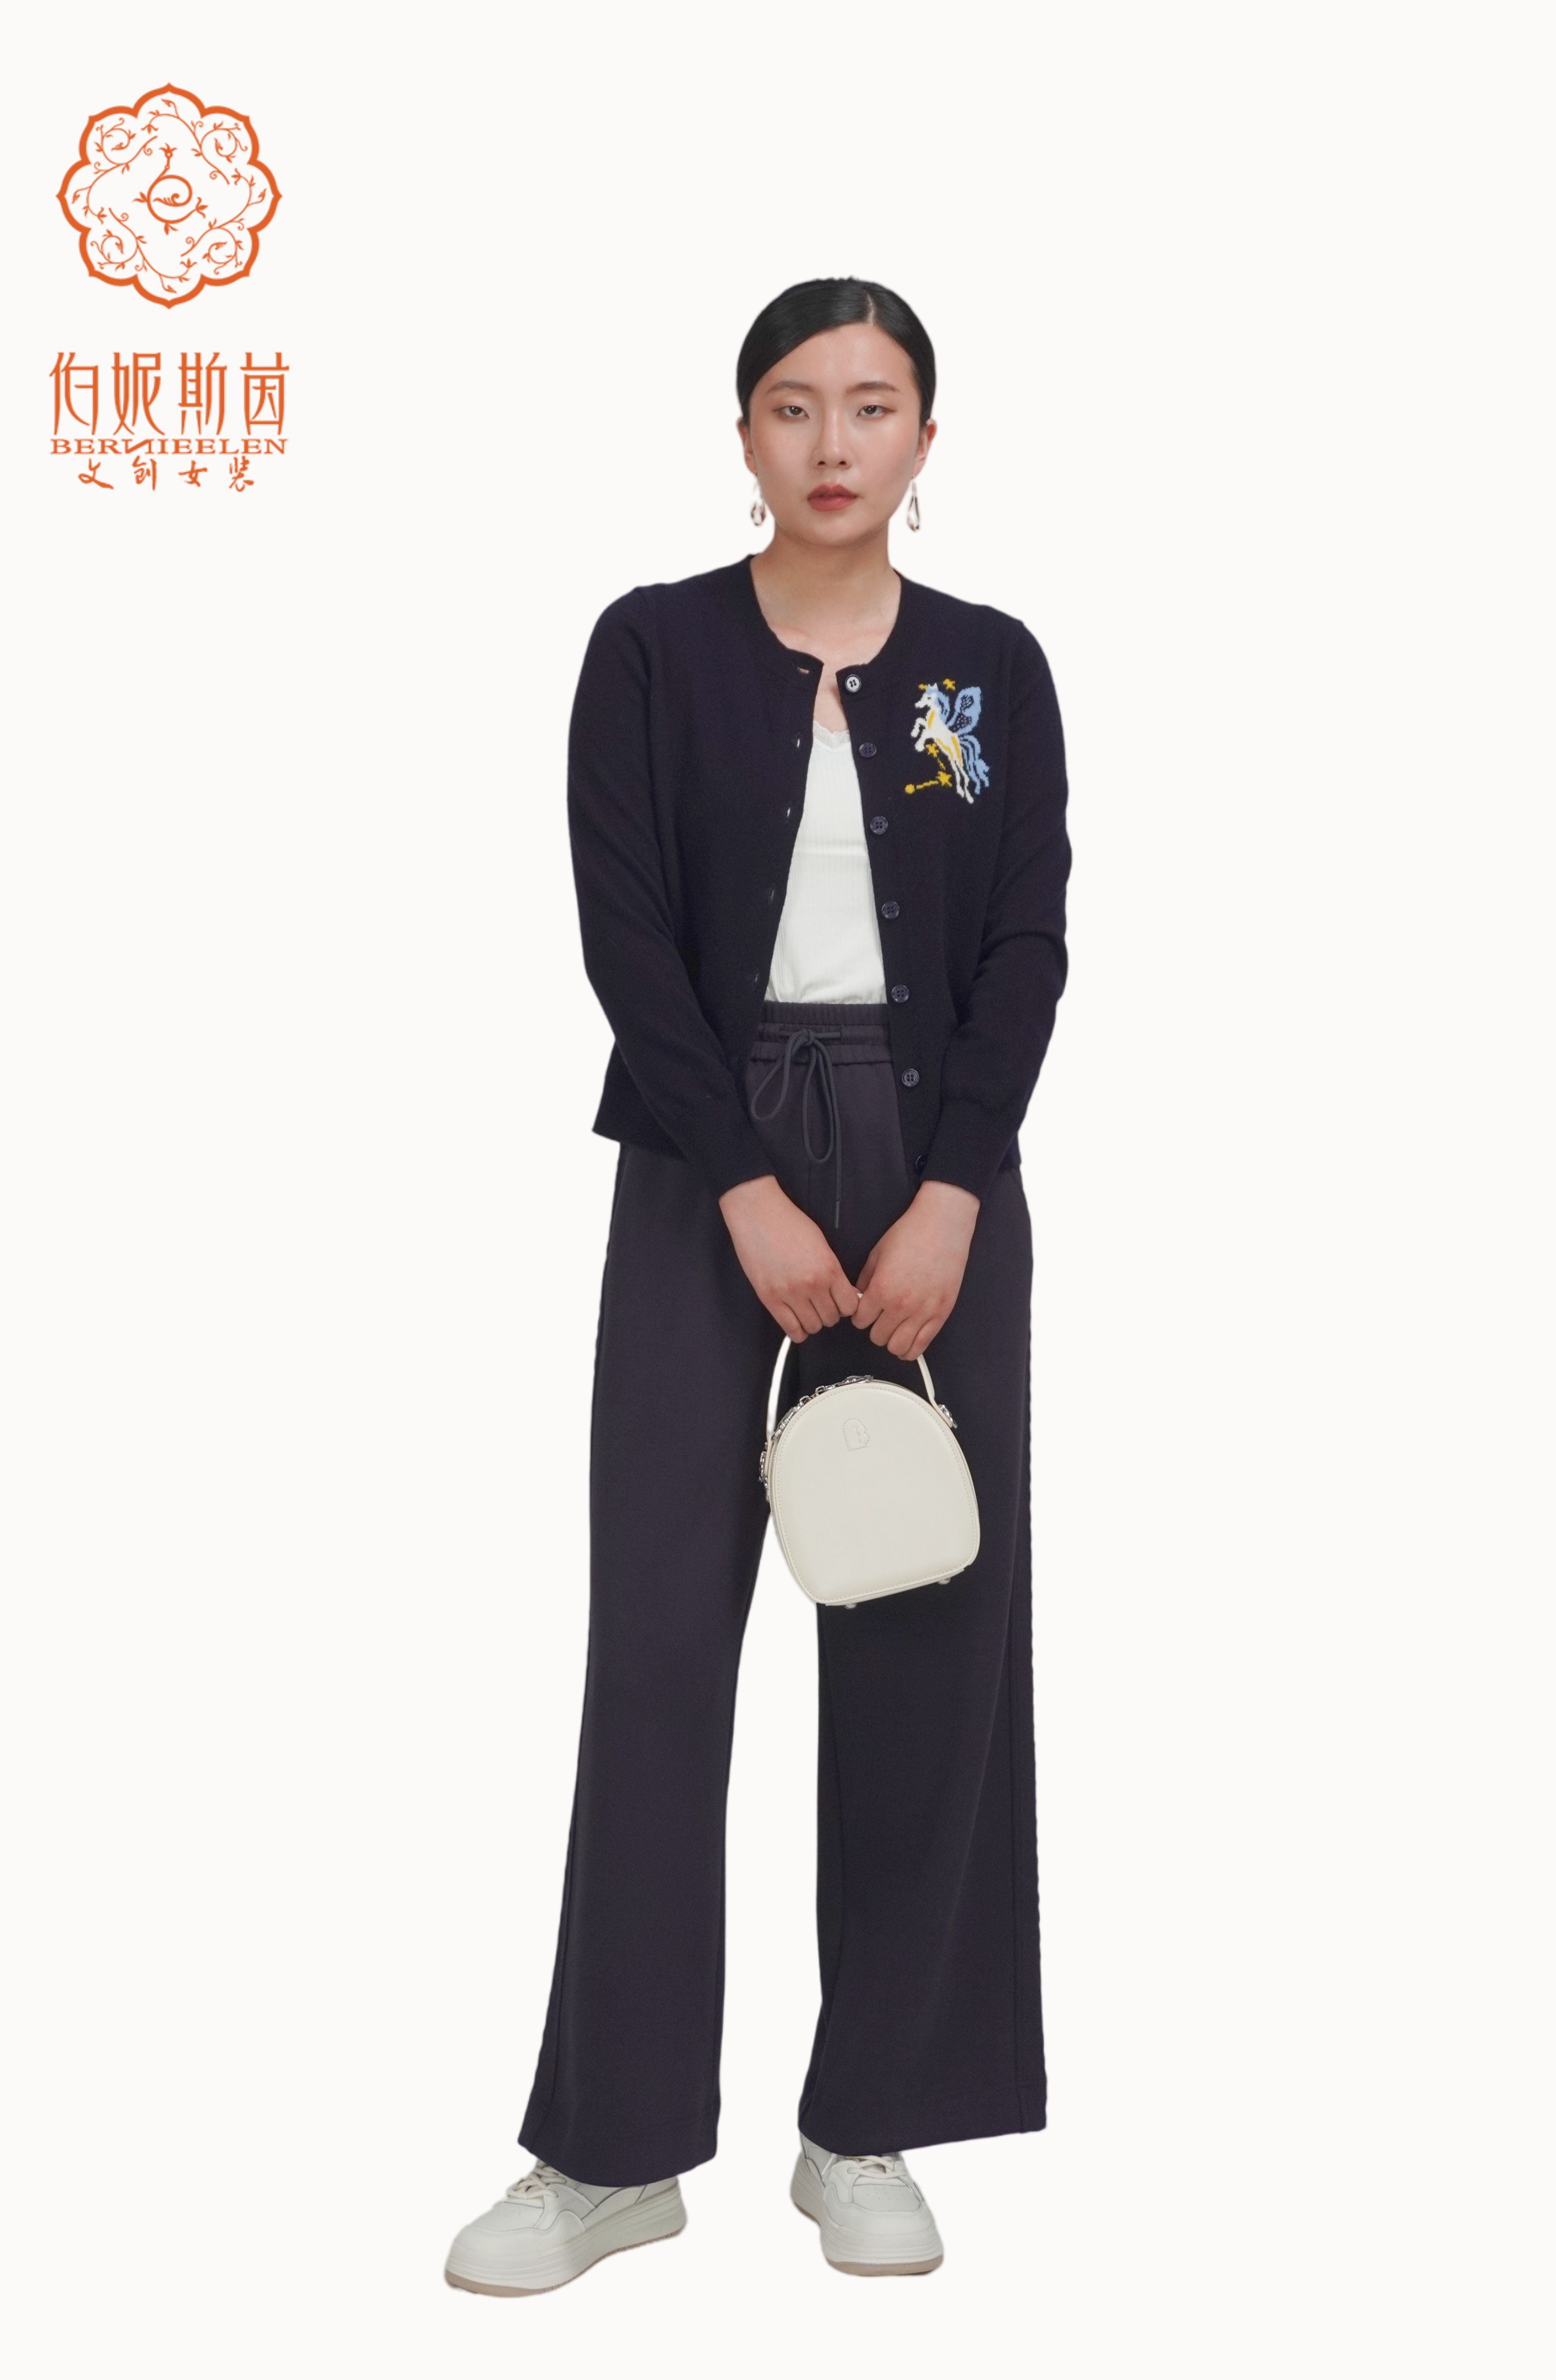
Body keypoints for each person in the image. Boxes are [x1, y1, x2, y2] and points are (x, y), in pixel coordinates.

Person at [444, 277, 1072, 2296]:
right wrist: (737, 1179)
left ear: (924, 442)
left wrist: (955, 1190)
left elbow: (1029, 940)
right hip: (703, 1167)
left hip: (935, 1167)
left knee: (926, 1631)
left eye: (872, 406)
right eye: (793, 406)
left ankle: (865, 2119)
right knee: (656, 1645)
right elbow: (623, 929)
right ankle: (607, 2154)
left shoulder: (990, 667)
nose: (831, 443)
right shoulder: (649, 648)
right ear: (741, 435)